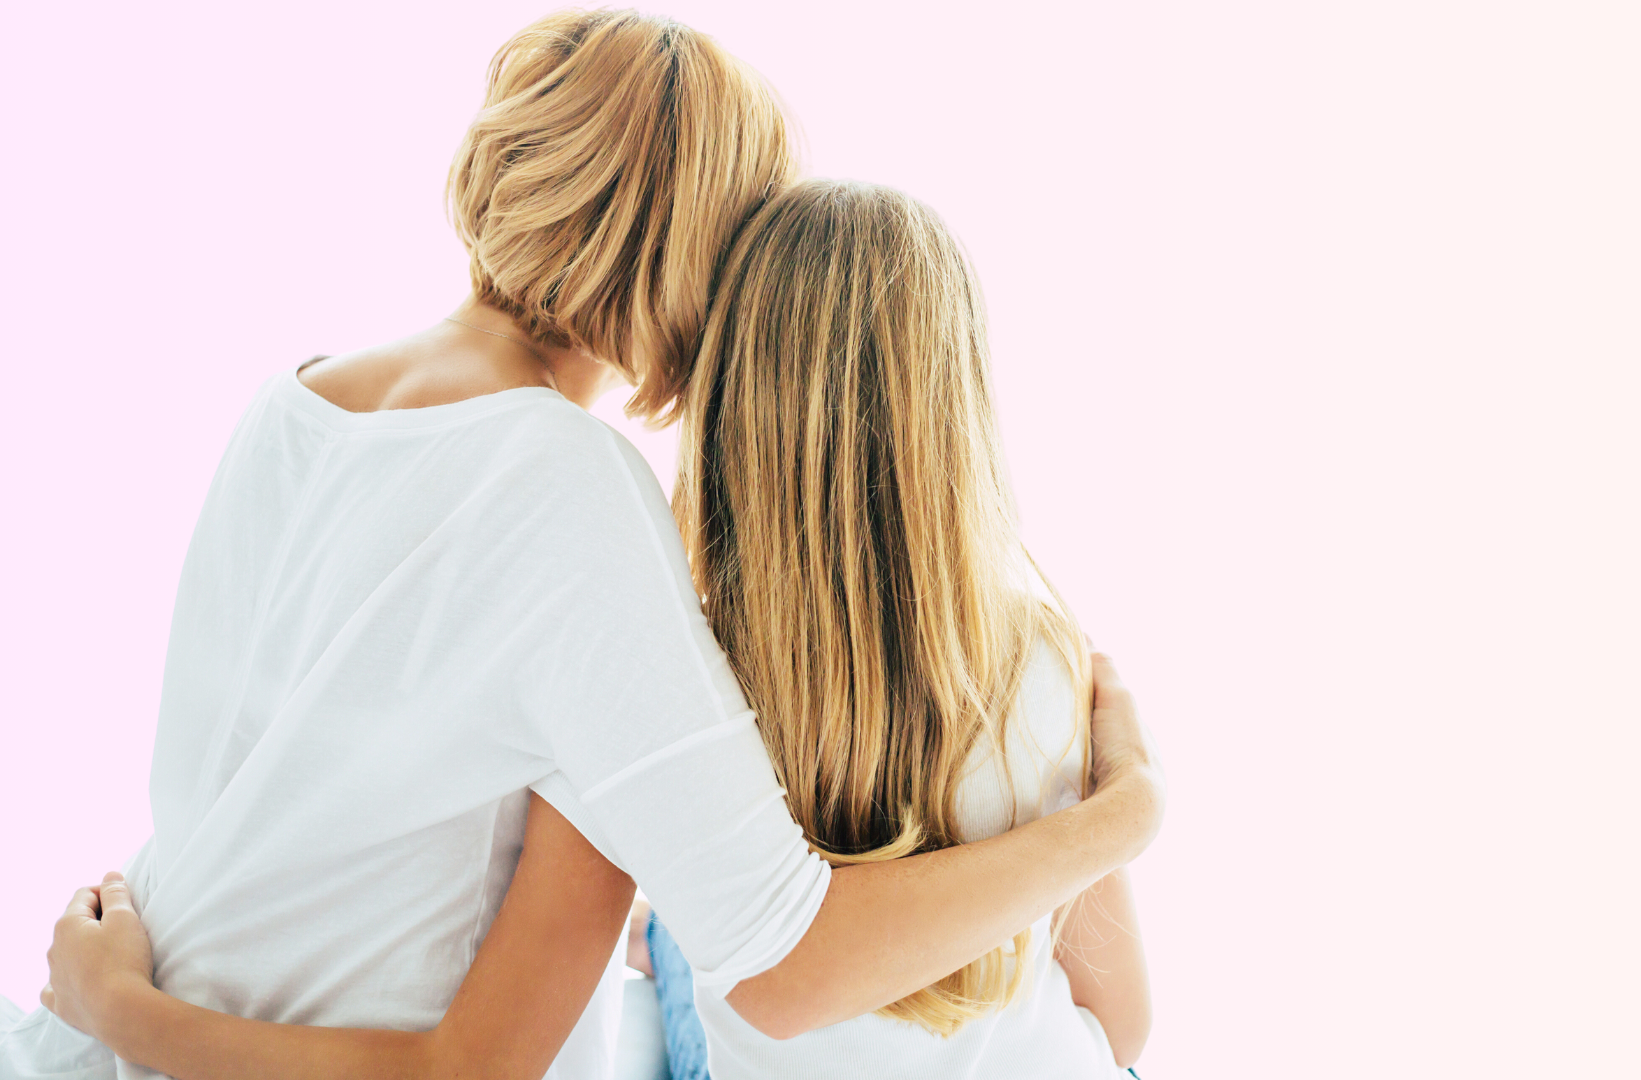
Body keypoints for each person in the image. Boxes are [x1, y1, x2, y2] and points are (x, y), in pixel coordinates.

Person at [8, 10, 1164, 1080]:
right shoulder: (566, 487)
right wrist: (1122, 818)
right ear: (704, 255)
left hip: (103, 1020)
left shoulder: (288, 407)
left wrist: (119, 1013)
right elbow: (782, 966)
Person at [639, 178, 1154, 1078]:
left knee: (677, 950)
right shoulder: (1045, 660)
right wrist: (1130, 800)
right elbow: (1123, 1023)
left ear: (732, 409)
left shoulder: (682, 678)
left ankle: (663, 942)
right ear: (955, 414)